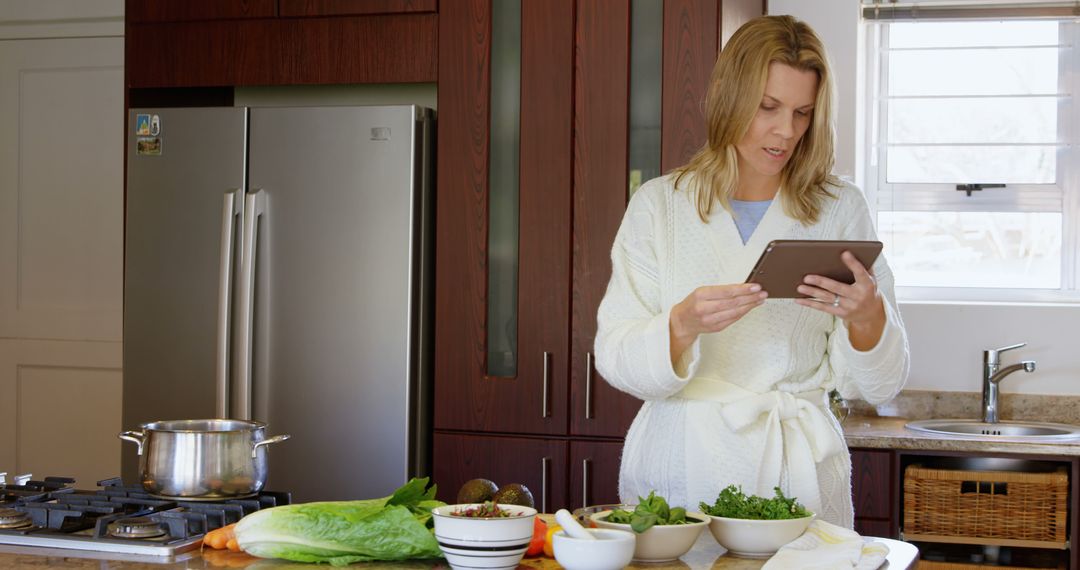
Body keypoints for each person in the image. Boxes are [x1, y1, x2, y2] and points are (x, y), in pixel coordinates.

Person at [594, 14, 909, 528]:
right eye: (768, 108)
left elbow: (879, 385)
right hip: (682, 467)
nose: (786, 132)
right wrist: (680, 326)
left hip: (797, 467)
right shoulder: (660, 206)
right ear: (728, 97)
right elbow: (614, 355)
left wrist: (868, 319)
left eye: (802, 113)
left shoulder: (838, 208)